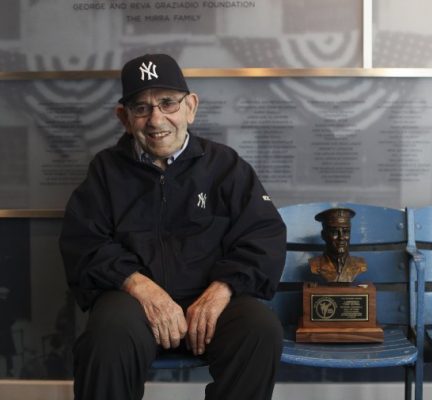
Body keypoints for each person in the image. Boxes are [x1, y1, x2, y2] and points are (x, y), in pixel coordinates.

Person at [59, 53, 287, 400]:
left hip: (212, 302)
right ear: (124, 117)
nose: (156, 119)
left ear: (190, 107)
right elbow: (84, 242)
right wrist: (142, 288)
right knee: (106, 336)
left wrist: (221, 289)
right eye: (141, 108)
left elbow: (263, 235)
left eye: (167, 103)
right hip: (133, 305)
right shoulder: (106, 171)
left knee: (260, 329)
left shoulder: (226, 166)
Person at [309, 208, 367, 283]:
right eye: (334, 232)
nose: (341, 237)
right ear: (323, 235)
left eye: (346, 232)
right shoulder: (315, 265)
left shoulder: (360, 264)